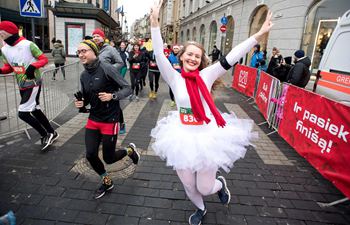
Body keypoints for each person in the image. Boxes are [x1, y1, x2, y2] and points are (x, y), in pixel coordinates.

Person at [150, 1, 272, 225]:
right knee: (188, 184)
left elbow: (233, 56)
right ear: (182, 56)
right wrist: (155, 24)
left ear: (201, 60)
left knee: (204, 187)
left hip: (207, 137)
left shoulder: (207, 75)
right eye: (189, 55)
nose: (193, 59)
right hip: (181, 136)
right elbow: (158, 53)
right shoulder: (173, 77)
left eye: (197, 56)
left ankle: (219, 185)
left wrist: (259, 35)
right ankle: (200, 209)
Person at [75, 39, 140, 199]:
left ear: (94, 52)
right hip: (93, 119)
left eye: (84, 51)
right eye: (79, 52)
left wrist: (112, 96)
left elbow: (127, 88)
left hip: (110, 120)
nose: (81, 54)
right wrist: (81, 103)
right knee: (90, 154)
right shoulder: (84, 75)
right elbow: (88, 98)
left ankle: (130, 151)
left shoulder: (107, 68)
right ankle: (106, 181)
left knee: (109, 158)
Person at [0, 21, 59, 151]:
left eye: (1, 33)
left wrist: (33, 66)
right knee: (34, 109)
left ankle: (45, 134)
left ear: (6, 32)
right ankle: (52, 132)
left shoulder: (28, 45)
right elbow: (8, 67)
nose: (0, 36)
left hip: (33, 82)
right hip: (21, 84)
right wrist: (1, 70)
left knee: (23, 113)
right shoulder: (4, 49)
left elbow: (44, 59)